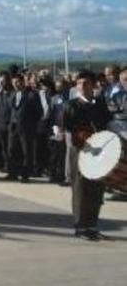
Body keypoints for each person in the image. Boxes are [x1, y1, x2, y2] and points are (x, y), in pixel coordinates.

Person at [61, 70, 113, 241]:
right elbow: (68, 128)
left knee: (97, 189)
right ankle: (80, 226)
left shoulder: (99, 105)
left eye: (86, 83)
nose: (82, 87)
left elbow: (106, 124)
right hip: (81, 151)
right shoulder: (72, 105)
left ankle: (92, 225)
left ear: (93, 85)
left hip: (99, 152)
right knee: (81, 189)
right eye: (79, 84)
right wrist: (86, 139)